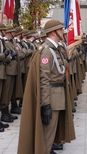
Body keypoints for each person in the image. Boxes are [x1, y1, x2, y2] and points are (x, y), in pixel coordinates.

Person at [18, 19, 75, 154]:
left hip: (57, 95)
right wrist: (46, 104)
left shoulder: (55, 49)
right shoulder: (47, 51)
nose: (63, 31)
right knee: (47, 136)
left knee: (51, 134)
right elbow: (44, 79)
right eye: (61, 29)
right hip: (52, 97)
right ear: (54, 32)